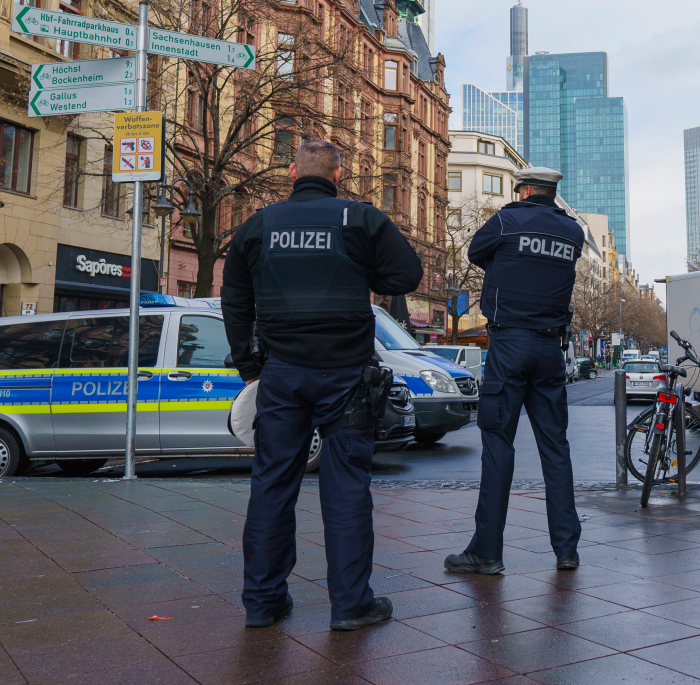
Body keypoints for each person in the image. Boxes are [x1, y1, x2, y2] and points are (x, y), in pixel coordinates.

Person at [221, 140, 422, 631]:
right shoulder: (360, 219)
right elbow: (408, 273)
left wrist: (250, 367)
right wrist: (360, 270)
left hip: (281, 374)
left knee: (272, 485)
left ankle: (263, 602)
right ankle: (351, 606)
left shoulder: (259, 224)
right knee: (347, 488)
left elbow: (234, 299)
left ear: (292, 173)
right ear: (337, 175)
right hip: (346, 375)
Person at [446, 167, 585, 576]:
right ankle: (566, 550)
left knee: (498, 444)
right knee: (555, 448)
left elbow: (475, 253)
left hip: (509, 345)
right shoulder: (572, 232)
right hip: (549, 347)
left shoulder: (506, 220)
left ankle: (487, 552)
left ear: (523, 190)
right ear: (552, 193)